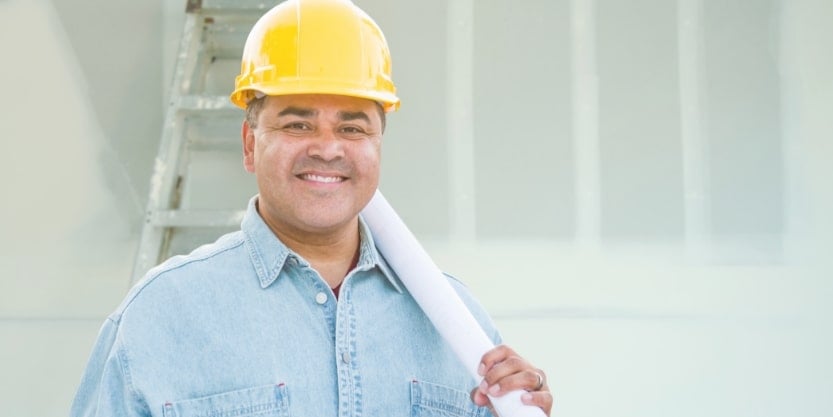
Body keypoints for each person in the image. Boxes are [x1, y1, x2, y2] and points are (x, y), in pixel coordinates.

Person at [71, 0, 552, 416]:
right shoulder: (159, 317)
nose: (327, 148)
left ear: (378, 145)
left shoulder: (458, 324)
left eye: (352, 128)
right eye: (297, 125)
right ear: (249, 144)